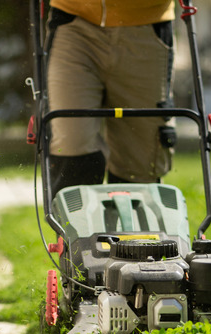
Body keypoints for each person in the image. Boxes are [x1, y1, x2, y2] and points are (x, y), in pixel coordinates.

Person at [45, 0, 177, 196]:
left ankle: (134, 224)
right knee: (71, 145)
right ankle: (72, 223)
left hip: (147, 25)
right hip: (74, 25)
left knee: (139, 162)